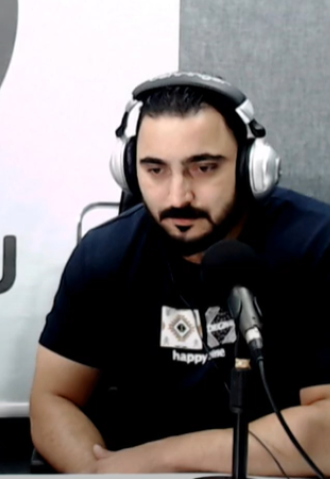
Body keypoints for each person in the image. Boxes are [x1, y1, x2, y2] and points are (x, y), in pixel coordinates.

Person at [30, 72, 330, 475]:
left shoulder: (317, 246)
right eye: (155, 170)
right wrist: (101, 474)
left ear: (252, 167)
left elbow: (326, 434)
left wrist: (154, 460)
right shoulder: (104, 255)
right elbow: (53, 400)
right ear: (128, 170)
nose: (177, 197)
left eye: (203, 168)